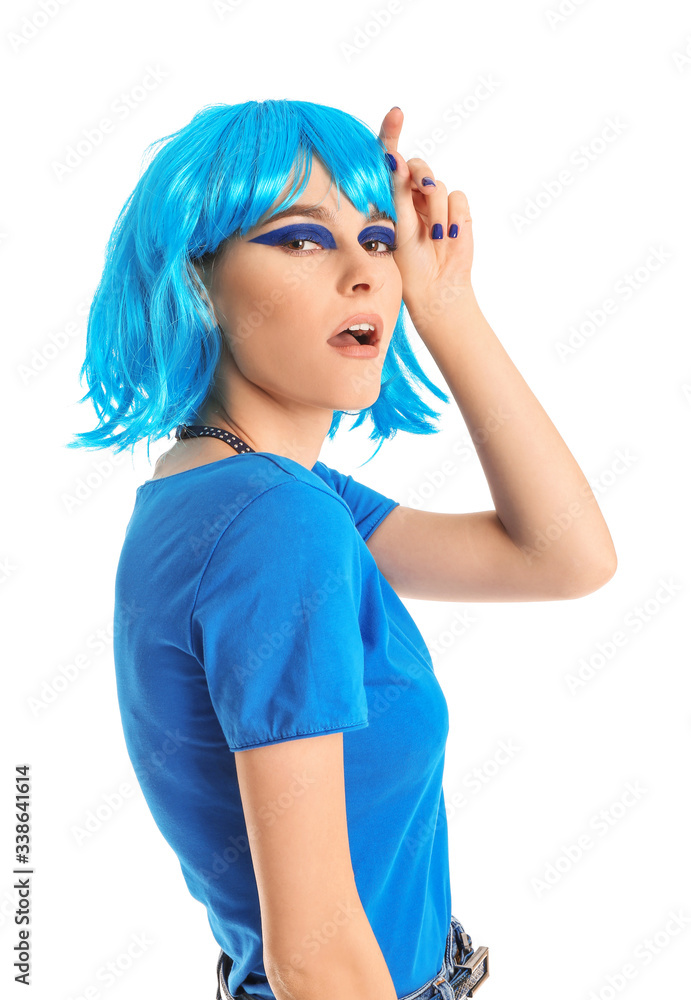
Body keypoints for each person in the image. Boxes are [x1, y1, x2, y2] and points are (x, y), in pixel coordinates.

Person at [66, 99, 617, 1000]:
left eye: (375, 237)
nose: (364, 273)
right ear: (195, 279)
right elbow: (315, 959)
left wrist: (444, 302)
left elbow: (562, 557)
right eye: (300, 239)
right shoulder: (275, 522)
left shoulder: (243, 490)